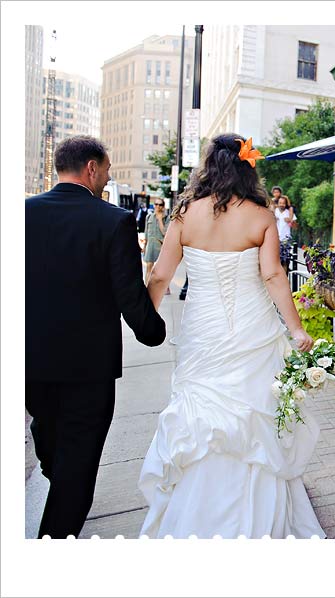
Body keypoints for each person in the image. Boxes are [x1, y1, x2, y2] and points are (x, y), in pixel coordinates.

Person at [138, 133, 323, 538]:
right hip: (251, 327)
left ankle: (192, 515)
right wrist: (295, 329)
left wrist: (145, 321)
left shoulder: (186, 213)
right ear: (245, 167)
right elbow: (273, 275)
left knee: (200, 416)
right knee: (255, 413)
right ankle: (255, 517)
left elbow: (161, 274)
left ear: (209, 166)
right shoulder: (260, 215)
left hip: (203, 331)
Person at [26, 136, 166, 538]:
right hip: (88, 368)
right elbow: (127, 293)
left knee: (47, 433)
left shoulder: (21, 214)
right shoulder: (112, 221)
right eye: (106, 170)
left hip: (30, 361)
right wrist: (152, 330)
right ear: (90, 168)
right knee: (78, 466)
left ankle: (57, 472)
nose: (107, 178)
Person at [143, 198, 169, 287]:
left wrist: (160, 220)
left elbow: (165, 233)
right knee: (148, 268)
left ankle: (163, 288)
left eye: (160, 205)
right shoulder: (149, 217)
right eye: (156, 204)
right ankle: (146, 288)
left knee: (159, 270)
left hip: (160, 247)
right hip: (150, 246)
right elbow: (146, 233)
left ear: (163, 207)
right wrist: (144, 246)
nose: (158, 206)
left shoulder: (166, 218)